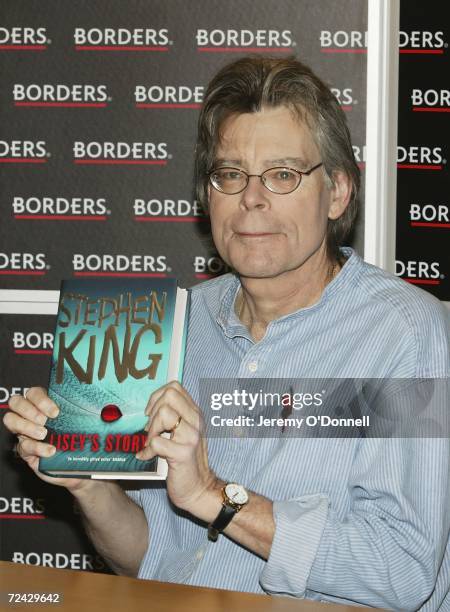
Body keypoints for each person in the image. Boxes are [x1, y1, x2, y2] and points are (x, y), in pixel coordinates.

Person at [4, 56, 450, 610]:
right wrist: (85, 480)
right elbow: (151, 560)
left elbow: (404, 571)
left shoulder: (403, 334)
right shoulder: (178, 325)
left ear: (337, 193)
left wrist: (218, 498)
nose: (252, 198)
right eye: (230, 174)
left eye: (283, 175)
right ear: (206, 195)